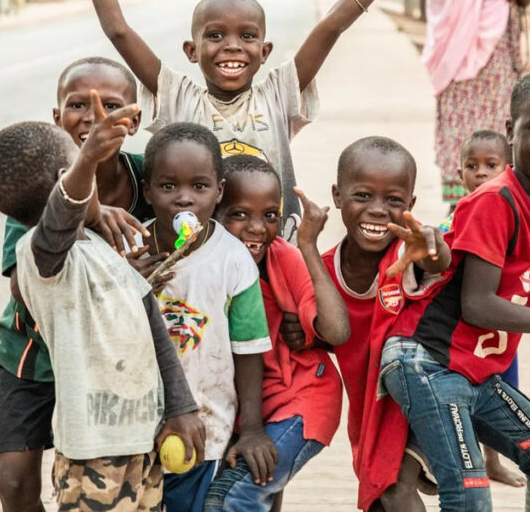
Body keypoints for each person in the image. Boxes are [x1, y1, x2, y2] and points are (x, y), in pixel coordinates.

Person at [62, 0, 437, 242]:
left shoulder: (279, 94)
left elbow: (332, 25)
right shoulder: (177, 98)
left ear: (265, 51)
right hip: (195, 259)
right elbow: (119, 31)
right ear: (191, 51)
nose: (231, 46)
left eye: (247, 36)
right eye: (215, 36)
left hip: (271, 254)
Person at [380, 69, 530, 510]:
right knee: (471, 492)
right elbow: (477, 305)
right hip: (429, 362)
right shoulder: (494, 202)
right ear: (511, 131)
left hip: (473, 372)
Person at [0, 101, 205, 511]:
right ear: (70, 180)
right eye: (82, 167)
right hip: (94, 451)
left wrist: (180, 407)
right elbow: (62, 213)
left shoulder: (100, 247)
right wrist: (88, 160)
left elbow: (152, 327)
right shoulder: (41, 258)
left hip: (143, 439)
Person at [0, 57, 160, 512]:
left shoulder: (152, 177)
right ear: (55, 118)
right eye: (77, 104)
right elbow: (23, 286)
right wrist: (85, 217)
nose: (93, 117)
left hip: (113, 357)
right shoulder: (39, 187)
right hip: (35, 352)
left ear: (135, 117)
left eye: (110, 104)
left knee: (112, 473)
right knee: (13, 482)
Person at [302, 136, 450, 511]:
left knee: (395, 490)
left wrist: (435, 249)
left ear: (411, 206)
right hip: (368, 414)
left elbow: (437, 262)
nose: (378, 210)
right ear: (337, 196)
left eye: (394, 201)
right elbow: (313, 333)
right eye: (363, 195)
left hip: (422, 404)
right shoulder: (325, 273)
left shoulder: (409, 256)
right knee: (380, 502)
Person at [139, 123, 274, 512]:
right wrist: (132, 279)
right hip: (133, 427)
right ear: (147, 191)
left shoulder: (233, 260)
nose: (184, 200)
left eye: (199, 187)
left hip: (204, 425)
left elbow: (248, 350)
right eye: (168, 187)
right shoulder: (130, 248)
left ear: (219, 191)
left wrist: (250, 429)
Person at [204, 156, 350, 511]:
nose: (258, 228)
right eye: (239, 214)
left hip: (301, 400)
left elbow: (338, 330)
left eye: (270, 216)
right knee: (260, 493)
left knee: (233, 496)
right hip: (244, 408)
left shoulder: (281, 257)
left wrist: (309, 246)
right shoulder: (199, 262)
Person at [420, 0, 530, 211]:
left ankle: (495, 203)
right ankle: (458, 206)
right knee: (461, 129)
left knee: (499, 126)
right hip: (461, 55)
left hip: (498, 57)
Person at [442, 129, 526, 487]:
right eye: (470, 165)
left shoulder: (512, 213)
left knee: (504, 393)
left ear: (506, 168)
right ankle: (471, 463)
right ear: (459, 171)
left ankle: (494, 459)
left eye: (490, 165)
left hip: (501, 331)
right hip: (464, 330)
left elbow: (524, 264)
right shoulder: (456, 214)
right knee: (466, 399)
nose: (479, 172)